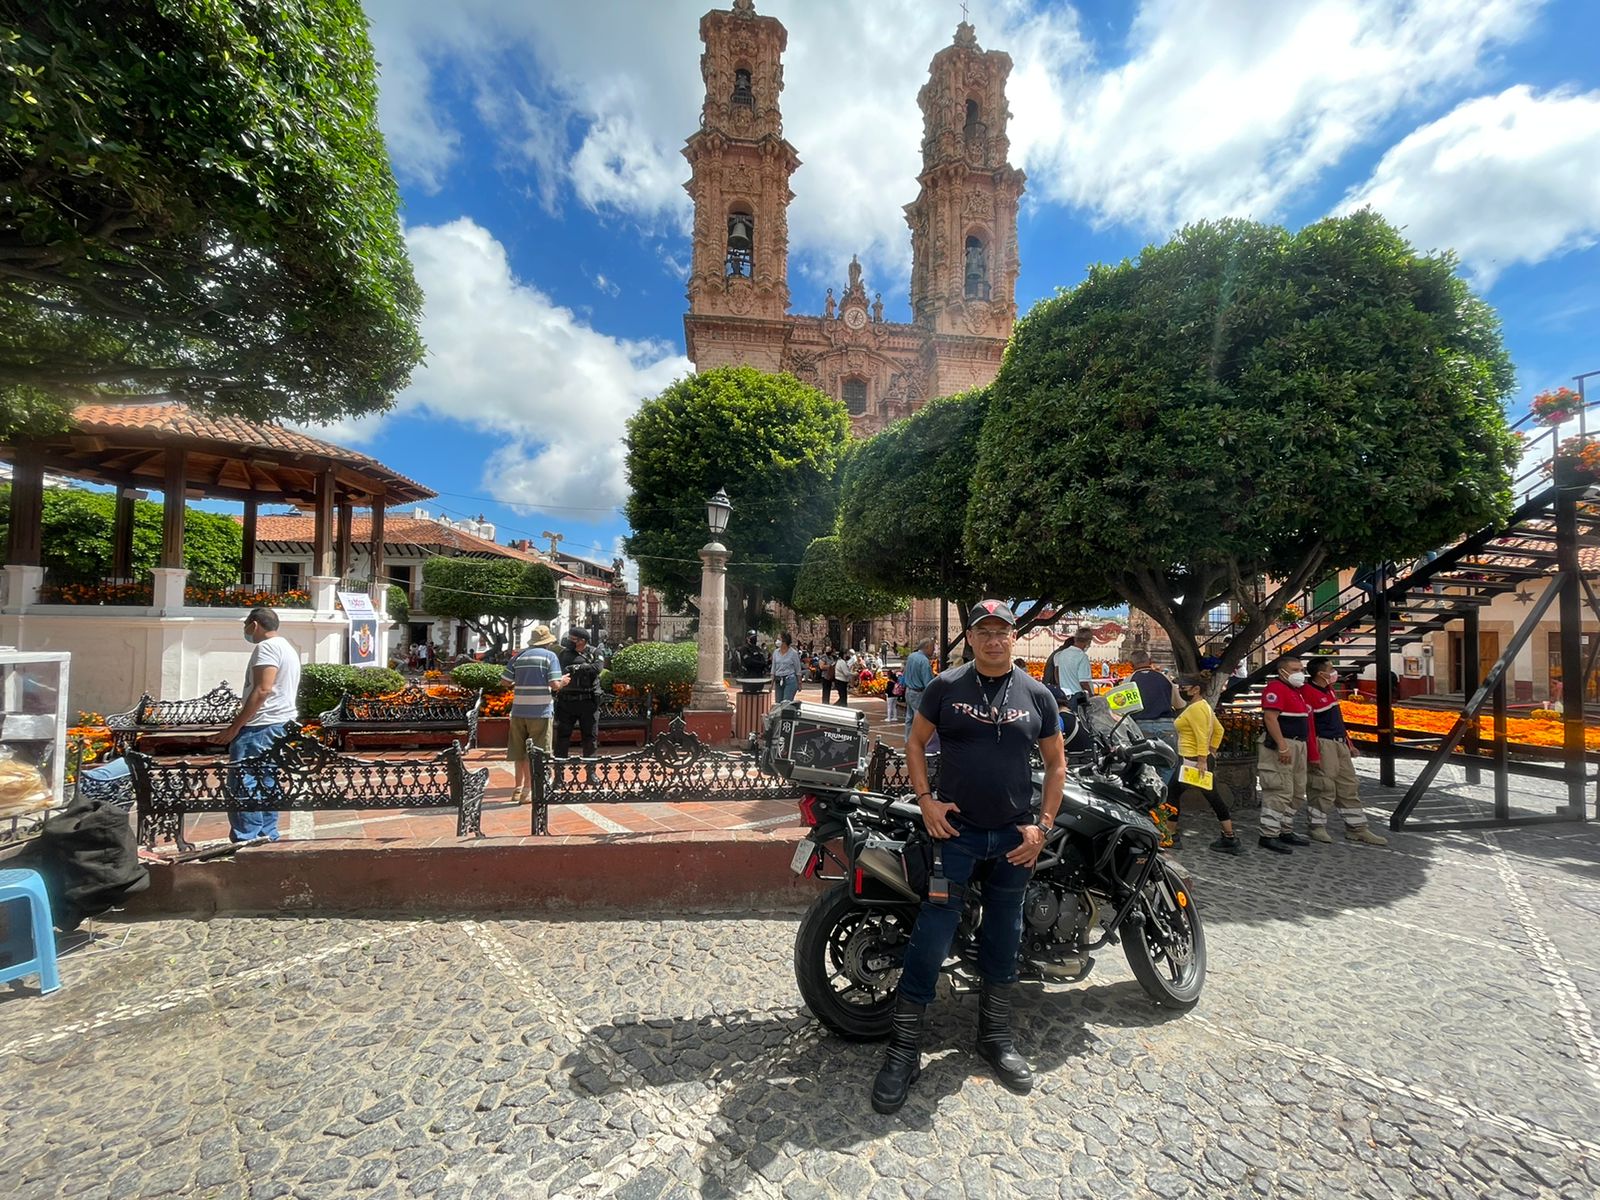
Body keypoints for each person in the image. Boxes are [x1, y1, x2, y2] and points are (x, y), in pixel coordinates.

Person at [872, 600, 1065, 1114]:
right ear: (971, 638)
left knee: (1005, 936)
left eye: (1003, 630)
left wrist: (1042, 828)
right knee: (932, 937)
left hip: (1013, 839)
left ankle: (995, 1037)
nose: (995, 639)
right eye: (985, 631)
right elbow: (915, 743)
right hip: (954, 835)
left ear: (1015, 636)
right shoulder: (946, 687)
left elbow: (1055, 764)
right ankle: (904, 1049)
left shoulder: (1037, 694)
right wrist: (925, 800)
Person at [210, 606, 302, 843]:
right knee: (266, 779)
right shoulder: (287, 647)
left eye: (246, 625)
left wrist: (234, 728)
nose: (245, 630)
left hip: (261, 725)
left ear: (255, 625)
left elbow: (263, 689)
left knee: (244, 780)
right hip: (279, 723)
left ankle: (248, 836)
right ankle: (266, 833)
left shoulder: (267, 648)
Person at [1302, 658, 1388, 846]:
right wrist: (1314, 753)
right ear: (1321, 673)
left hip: (1339, 744)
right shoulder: (1308, 693)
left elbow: (1338, 722)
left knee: (1349, 786)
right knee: (1323, 786)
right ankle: (1316, 826)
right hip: (1323, 744)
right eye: (1331, 668)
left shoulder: (1329, 691)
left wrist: (1349, 744)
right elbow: (1308, 727)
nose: (1334, 672)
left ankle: (1357, 828)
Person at [1172, 674, 1243, 854]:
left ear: (1196, 689)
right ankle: (1229, 836)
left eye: (1184, 687)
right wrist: (1212, 750)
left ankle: (1169, 835)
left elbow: (1202, 734)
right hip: (1198, 759)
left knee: (1172, 795)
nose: (1180, 690)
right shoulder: (1204, 706)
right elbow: (1218, 730)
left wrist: (1203, 759)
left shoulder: (1196, 709)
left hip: (1192, 760)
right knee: (1212, 796)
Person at [1257, 654, 1317, 854]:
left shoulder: (1295, 691)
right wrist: (1282, 746)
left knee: (1297, 790)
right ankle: (1269, 834)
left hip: (1298, 745)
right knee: (1279, 789)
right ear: (1282, 671)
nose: (1299, 673)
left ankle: (1285, 828)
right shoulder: (1275, 689)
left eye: (1301, 669)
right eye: (1294, 670)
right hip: (1283, 744)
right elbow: (1270, 718)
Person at [501, 626, 567, 803]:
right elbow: (554, 684)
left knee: (519, 751)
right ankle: (528, 790)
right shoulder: (549, 656)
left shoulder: (518, 656)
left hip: (518, 710)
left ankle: (517, 788)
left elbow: (505, 682)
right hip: (540, 710)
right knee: (537, 752)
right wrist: (564, 682)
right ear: (548, 642)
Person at [1128, 649, 1180, 786]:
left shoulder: (1129, 680)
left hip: (1141, 726)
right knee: (1169, 762)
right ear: (1150, 662)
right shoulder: (1164, 678)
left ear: (1131, 665)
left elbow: (1123, 710)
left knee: (1144, 764)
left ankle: (1151, 792)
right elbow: (1178, 703)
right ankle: (1162, 790)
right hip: (1167, 726)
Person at [554, 627, 602, 758]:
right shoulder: (564, 654)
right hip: (567, 701)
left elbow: (597, 668)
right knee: (562, 737)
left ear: (582, 641)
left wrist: (578, 667)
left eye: (573, 639)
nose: (569, 641)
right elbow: (558, 671)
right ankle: (559, 773)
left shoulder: (594, 652)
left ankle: (590, 772)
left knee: (590, 737)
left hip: (588, 701)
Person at [901, 637, 935, 738]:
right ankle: (916, 743)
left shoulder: (911, 656)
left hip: (908, 691)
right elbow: (928, 682)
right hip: (918, 693)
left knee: (909, 718)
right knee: (918, 719)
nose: (933, 650)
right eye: (932, 647)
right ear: (927, 647)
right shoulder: (924, 661)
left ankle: (908, 741)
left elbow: (905, 673)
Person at [1045, 627, 1094, 695]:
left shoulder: (1062, 654)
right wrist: (1091, 694)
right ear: (1088, 641)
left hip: (1065, 695)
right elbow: (1083, 682)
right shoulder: (1082, 656)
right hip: (1077, 696)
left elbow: (1057, 673)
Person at [771, 633, 802, 704]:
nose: (777, 641)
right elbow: (773, 668)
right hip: (779, 680)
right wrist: (771, 683)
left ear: (784, 641)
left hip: (790, 680)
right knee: (778, 703)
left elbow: (798, 669)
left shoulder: (793, 653)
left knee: (786, 703)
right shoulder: (776, 652)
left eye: (779, 639)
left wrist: (799, 683)